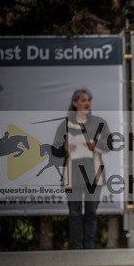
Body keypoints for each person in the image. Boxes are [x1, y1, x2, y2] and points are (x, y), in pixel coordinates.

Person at [53, 89, 111, 249]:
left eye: (89, 100)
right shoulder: (65, 125)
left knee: (91, 212)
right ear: (75, 103)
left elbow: (110, 144)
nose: (87, 103)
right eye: (83, 100)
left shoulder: (99, 123)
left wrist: (95, 145)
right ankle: (77, 248)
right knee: (74, 213)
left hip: (93, 175)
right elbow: (55, 149)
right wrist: (64, 148)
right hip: (73, 176)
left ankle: (90, 248)